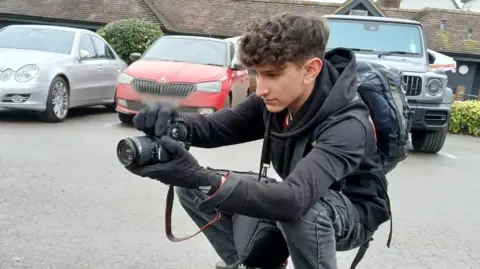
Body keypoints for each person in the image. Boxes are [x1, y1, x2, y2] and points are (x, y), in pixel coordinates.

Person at [127, 12, 391, 269]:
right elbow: (217, 128)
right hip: (298, 193)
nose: (261, 88)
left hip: (351, 213)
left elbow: (293, 200)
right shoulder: (275, 100)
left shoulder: (347, 124)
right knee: (191, 189)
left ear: (310, 69)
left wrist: (201, 177)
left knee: (302, 213)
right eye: (257, 73)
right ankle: (249, 263)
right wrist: (175, 123)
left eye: (273, 74)